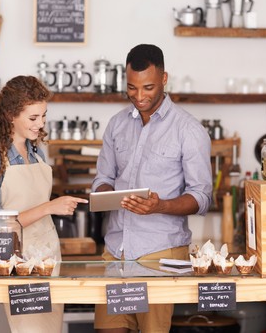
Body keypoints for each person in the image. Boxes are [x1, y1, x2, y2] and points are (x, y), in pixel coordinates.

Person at [92, 44, 213, 333]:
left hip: (160, 256)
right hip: (115, 253)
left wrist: (160, 206)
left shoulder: (188, 130)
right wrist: (107, 194)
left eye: (147, 87)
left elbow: (202, 197)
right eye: (131, 88)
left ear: (164, 79)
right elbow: (102, 178)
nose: (139, 96)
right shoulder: (117, 124)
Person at [0, 75, 87, 333]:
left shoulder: (37, 152)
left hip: (48, 257)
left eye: (43, 116)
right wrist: (49, 207)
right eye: (33, 118)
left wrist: (53, 207)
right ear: (11, 115)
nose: (41, 124)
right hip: (18, 262)